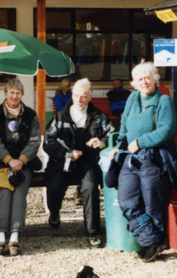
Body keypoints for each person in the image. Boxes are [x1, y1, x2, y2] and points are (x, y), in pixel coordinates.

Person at [109, 62, 177, 263]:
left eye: (148, 77)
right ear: (134, 83)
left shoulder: (164, 101)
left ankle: (151, 244)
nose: (144, 81)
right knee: (126, 200)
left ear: (155, 79)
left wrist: (140, 142)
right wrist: (120, 145)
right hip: (131, 158)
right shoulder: (131, 99)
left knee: (152, 201)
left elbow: (167, 131)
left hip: (153, 158)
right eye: (140, 79)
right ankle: (154, 239)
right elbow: (123, 128)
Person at [44, 78, 114, 248]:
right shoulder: (60, 116)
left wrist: (103, 142)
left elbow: (113, 136)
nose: (80, 100)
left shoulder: (99, 116)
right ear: (71, 95)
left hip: (89, 162)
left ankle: (93, 231)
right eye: (76, 96)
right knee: (55, 186)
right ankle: (54, 213)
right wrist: (66, 153)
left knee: (90, 188)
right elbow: (48, 141)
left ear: (90, 96)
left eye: (84, 97)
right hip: (64, 162)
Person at [0, 78, 41, 256]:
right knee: (4, 193)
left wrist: (21, 160)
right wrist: (9, 160)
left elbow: (34, 141)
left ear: (22, 95)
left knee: (19, 193)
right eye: (11, 92)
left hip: (24, 163)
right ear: (5, 94)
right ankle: (1, 237)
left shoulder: (31, 115)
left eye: (18, 93)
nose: (14, 96)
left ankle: (15, 237)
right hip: (1, 163)